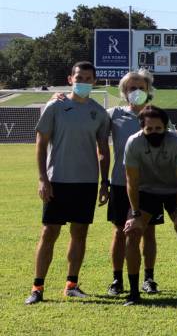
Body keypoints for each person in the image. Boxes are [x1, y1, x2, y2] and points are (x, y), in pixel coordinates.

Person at [26, 61, 111, 305]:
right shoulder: (55, 106)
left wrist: (104, 182)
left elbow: (103, 149)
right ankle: (37, 287)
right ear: (70, 78)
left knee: (80, 233)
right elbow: (41, 144)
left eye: (88, 78)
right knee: (49, 232)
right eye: (79, 77)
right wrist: (43, 178)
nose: (83, 82)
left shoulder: (99, 112)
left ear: (94, 81)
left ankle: (72, 284)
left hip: (86, 183)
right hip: (57, 180)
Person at [121, 106, 177, 306]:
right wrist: (135, 213)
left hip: (174, 190)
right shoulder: (133, 143)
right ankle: (134, 293)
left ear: (166, 127)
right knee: (133, 232)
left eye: (158, 128)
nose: (154, 132)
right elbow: (132, 181)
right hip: (146, 190)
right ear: (142, 128)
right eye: (149, 129)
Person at [104, 70, 162, 297]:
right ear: (124, 92)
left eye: (141, 87)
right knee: (120, 232)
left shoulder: (157, 117)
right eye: (131, 88)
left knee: (148, 233)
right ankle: (117, 280)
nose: (136, 91)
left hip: (150, 185)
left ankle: (149, 278)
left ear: (149, 91)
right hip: (121, 183)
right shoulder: (113, 114)